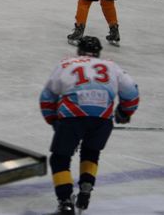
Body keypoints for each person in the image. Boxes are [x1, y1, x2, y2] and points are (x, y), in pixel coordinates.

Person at [39, 36, 139, 215]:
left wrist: (53, 120)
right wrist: (124, 112)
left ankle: (65, 203)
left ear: (79, 50)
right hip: (102, 120)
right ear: (98, 52)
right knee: (91, 153)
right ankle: (86, 189)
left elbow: (47, 96)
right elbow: (131, 92)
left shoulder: (66, 64)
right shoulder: (111, 66)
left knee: (60, 159)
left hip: (72, 118)